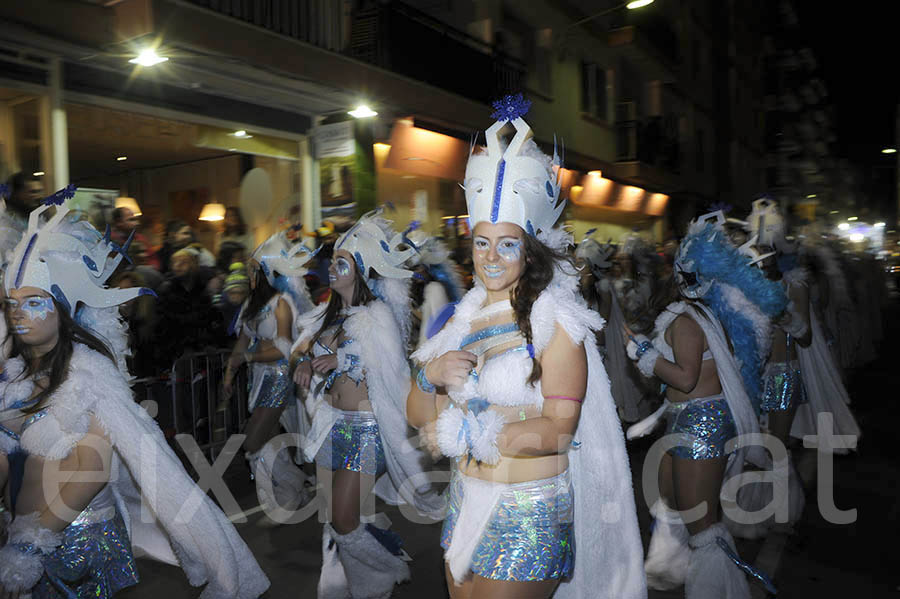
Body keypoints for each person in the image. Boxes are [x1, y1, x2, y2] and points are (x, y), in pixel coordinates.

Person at [408, 100, 646, 599]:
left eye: (507, 243)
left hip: (528, 508)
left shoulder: (556, 321)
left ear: (530, 248)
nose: (491, 256)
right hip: (465, 498)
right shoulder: (459, 321)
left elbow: (559, 431)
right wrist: (430, 378)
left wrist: (474, 429)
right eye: (481, 242)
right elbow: (417, 413)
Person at [0, 193, 269, 598]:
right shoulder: (18, 373)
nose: (19, 313)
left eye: (34, 302)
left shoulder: (87, 370)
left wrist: (30, 545)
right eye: (12, 303)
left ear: (63, 309)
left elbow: (91, 469)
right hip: (26, 533)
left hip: (75, 542)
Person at [624, 211, 787, 598]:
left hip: (701, 426)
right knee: (668, 503)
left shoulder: (686, 319)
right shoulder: (703, 312)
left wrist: (644, 352)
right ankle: (668, 568)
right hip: (690, 421)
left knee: (703, 527)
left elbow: (685, 377)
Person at [291, 210, 442, 599]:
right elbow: (300, 350)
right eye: (333, 262)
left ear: (360, 269)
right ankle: (358, 578)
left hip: (366, 430)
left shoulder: (378, 315)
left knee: (343, 519)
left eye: (342, 263)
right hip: (332, 424)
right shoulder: (330, 314)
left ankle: (386, 569)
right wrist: (305, 362)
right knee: (338, 517)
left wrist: (341, 361)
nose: (332, 269)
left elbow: (391, 373)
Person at [223, 231, 315, 525]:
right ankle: (293, 490)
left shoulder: (280, 303)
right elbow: (241, 342)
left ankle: (286, 495)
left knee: (252, 442)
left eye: (252, 268)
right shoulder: (252, 305)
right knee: (269, 440)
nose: (247, 273)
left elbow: (285, 347)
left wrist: (252, 355)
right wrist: (229, 372)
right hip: (258, 379)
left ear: (263, 271)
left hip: (277, 379)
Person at [576, 233, 644, 423]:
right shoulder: (575, 290)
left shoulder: (603, 290)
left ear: (592, 265)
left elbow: (601, 329)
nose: (576, 267)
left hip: (597, 359)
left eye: (581, 262)